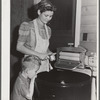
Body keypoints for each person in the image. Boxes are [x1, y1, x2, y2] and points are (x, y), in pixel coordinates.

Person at [16, 0, 56, 73]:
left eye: (50, 16)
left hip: (44, 66)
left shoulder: (48, 29)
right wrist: (39, 55)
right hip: (30, 66)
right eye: (46, 15)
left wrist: (49, 53)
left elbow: (44, 48)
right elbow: (19, 47)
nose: (48, 18)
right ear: (39, 12)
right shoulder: (27, 26)